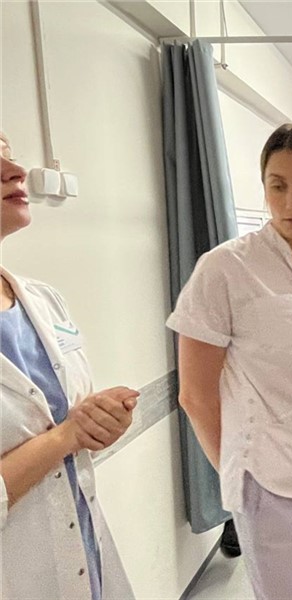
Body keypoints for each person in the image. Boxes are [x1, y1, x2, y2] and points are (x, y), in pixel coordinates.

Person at [167, 122, 292, 599]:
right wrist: (242, 474)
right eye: (278, 186)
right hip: (273, 479)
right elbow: (195, 395)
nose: (291, 202)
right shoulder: (226, 269)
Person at [0, 131, 137, 599]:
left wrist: (100, 422)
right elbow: (64, 432)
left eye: (8, 156)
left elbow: (69, 416)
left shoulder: (43, 300)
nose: (17, 171)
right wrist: (68, 435)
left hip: (82, 551)